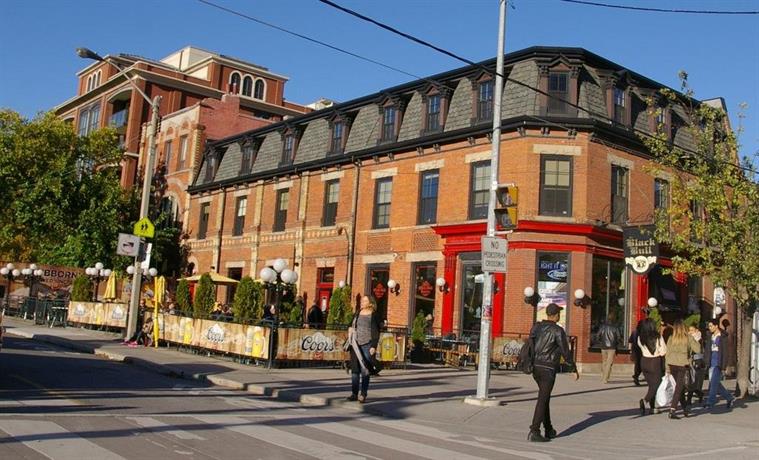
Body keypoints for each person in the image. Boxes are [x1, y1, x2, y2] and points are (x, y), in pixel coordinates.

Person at [527, 303, 579, 443]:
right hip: (548, 369)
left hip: (536, 367)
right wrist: (572, 368)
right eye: (559, 314)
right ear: (556, 315)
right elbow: (565, 351)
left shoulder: (537, 327)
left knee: (545, 397)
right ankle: (534, 430)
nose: (559, 316)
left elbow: (531, 344)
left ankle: (549, 429)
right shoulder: (557, 330)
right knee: (543, 399)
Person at [345, 295, 380, 404]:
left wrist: (374, 346)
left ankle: (363, 394)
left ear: (370, 303)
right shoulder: (357, 313)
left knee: (365, 370)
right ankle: (354, 393)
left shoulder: (374, 315)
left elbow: (376, 331)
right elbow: (350, 324)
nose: (362, 302)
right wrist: (350, 330)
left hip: (367, 345)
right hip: (355, 345)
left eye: (365, 300)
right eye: (362, 300)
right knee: (355, 370)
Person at [664, 320, 700, 419]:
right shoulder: (688, 338)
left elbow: (667, 354)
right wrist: (694, 338)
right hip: (682, 365)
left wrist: (667, 368)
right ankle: (672, 409)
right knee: (679, 388)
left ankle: (685, 408)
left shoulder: (671, 338)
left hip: (672, 364)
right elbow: (698, 349)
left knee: (680, 387)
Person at [703, 318, 735, 409]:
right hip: (711, 360)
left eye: (711, 326)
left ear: (716, 326)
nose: (709, 328)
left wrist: (724, 366)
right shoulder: (710, 336)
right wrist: (706, 361)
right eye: (709, 326)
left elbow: (725, 352)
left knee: (713, 382)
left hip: (718, 361)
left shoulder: (723, 336)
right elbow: (707, 350)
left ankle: (710, 401)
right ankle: (729, 397)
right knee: (714, 382)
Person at [637, 318, 666, 415]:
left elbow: (639, 347)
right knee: (657, 384)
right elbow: (663, 352)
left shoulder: (640, 337)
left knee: (651, 386)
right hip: (655, 361)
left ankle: (653, 408)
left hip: (644, 361)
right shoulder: (658, 337)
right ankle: (645, 400)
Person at [596, 314, 621, 384]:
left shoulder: (602, 327)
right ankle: (605, 378)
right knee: (609, 363)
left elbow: (598, 336)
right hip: (612, 347)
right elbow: (619, 337)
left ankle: (604, 376)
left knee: (604, 362)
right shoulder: (615, 327)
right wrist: (616, 343)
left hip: (603, 347)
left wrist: (601, 342)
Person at [686, 324, 705, 405]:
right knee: (690, 382)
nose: (690, 332)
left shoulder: (699, 339)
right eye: (689, 330)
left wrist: (698, 362)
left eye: (692, 330)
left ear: (696, 330)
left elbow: (700, 352)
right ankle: (700, 394)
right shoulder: (688, 339)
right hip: (689, 361)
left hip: (697, 362)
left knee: (692, 381)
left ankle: (689, 399)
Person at [629, 320, 643, 386]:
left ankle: (636, 376)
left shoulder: (634, 332)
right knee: (639, 365)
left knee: (637, 364)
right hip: (640, 350)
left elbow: (630, 340)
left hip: (634, 350)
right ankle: (636, 376)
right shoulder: (643, 332)